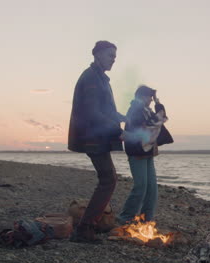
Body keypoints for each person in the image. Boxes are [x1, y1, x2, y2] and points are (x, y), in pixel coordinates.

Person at [68, 40, 126, 242]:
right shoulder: (91, 77)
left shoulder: (100, 78)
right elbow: (93, 112)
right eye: (111, 56)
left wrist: (124, 118)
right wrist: (116, 129)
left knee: (108, 178)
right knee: (108, 179)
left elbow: (107, 110)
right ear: (98, 54)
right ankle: (85, 228)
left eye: (115, 57)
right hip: (92, 137)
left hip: (96, 136)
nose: (113, 60)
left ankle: (87, 225)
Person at [117, 85, 173, 224]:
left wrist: (157, 102)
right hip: (137, 151)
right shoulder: (135, 109)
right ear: (142, 96)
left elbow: (159, 119)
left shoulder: (145, 110)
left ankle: (146, 221)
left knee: (152, 189)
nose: (151, 101)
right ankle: (125, 218)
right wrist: (158, 104)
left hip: (147, 151)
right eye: (150, 98)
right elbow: (156, 121)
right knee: (141, 186)